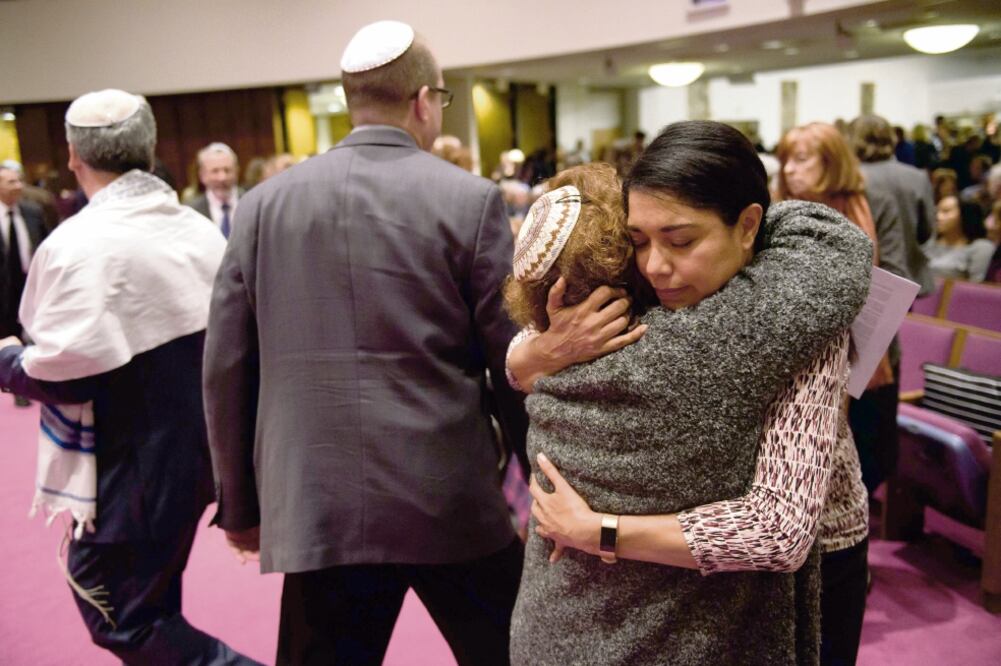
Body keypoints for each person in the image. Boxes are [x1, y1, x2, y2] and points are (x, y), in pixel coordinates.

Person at [202, 21, 528, 666]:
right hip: (448, 494)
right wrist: (543, 481)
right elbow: (512, 358)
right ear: (424, 101)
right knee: (514, 654)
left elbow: (227, 366)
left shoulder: (263, 206)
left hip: (318, 501)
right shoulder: (469, 200)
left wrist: (237, 500)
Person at [506, 121, 872, 665]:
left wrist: (599, 531)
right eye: (638, 242)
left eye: (681, 241)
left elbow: (781, 529)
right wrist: (544, 353)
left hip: (821, 553)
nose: (655, 265)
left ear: (748, 227)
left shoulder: (796, 312)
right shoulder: (653, 288)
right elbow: (520, 354)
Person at [0, 89, 258, 665]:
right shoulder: (195, 230)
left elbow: (64, 374)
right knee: (156, 599)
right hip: (195, 458)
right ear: (150, 149)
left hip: (131, 473)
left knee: (123, 616)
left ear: (73, 156)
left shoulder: (79, 244)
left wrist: (8, 363)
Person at [777, 121, 905, 497]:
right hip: (805, 351)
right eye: (786, 160)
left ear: (832, 163)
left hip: (870, 344)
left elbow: (894, 271)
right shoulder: (780, 208)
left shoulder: (875, 201)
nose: (788, 169)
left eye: (801, 160)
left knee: (872, 456)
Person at [850, 114, 936, 294]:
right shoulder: (917, 177)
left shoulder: (851, 179)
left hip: (864, 283)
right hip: (908, 279)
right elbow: (926, 231)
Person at [0, 161, 47, 406]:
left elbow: (47, 243)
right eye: (11, 181)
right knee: (9, 334)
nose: (18, 185)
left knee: (37, 333)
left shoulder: (33, 211)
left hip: (33, 282)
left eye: (19, 180)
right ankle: (17, 385)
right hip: (4, 290)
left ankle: (41, 378)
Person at [923, 194, 994, 282]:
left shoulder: (981, 247)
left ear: (965, 214)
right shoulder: (929, 241)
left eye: (946, 211)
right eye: (937, 211)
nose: (938, 216)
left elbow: (976, 286)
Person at [186, 142, 243, 237]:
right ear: (202, 175)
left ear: (237, 172)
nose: (222, 178)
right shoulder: (191, 211)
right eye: (215, 171)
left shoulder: (251, 203)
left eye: (227, 170)